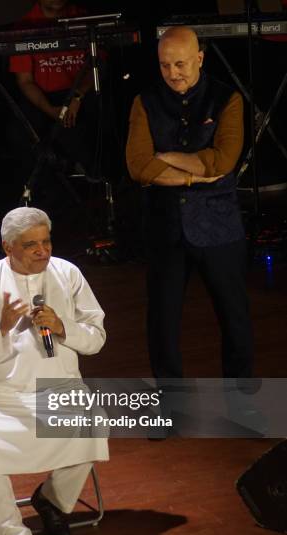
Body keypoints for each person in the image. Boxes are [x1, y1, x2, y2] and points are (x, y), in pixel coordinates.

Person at [0, 206, 109, 535]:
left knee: (93, 423)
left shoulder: (68, 274)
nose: (43, 251)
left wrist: (62, 326)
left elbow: (97, 338)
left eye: (46, 241)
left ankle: (53, 501)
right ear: (8, 247)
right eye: (31, 245)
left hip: (58, 384)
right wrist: (1, 328)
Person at [126, 26, 253, 380]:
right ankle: (170, 406)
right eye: (165, 66)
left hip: (218, 223)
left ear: (200, 58)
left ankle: (241, 404)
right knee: (162, 323)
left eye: (180, 64)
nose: (173, 73)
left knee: (235, 317)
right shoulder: (144, 101)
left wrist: (163, 157)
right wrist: (193, 175)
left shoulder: (228, 99)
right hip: (164, 225)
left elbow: (222, 161)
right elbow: (138, 165)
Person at [8, 0, 99, 178]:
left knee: (99, 110)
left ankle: (97, 179)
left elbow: (99, 65)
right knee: (18, 131)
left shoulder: (85, 18)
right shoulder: (23, 26)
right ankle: (41, 189)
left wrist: (77, 96)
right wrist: (50, 110)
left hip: (79, 94)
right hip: (44, 98)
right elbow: (25, 81)